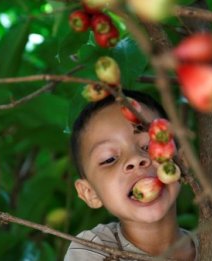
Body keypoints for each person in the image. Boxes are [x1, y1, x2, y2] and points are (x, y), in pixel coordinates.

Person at [64, 90, 198, 260]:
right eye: (109, 159)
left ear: (183, 161)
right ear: (90, 192)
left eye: (148, 146)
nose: (135, 160)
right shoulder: (94, 248)